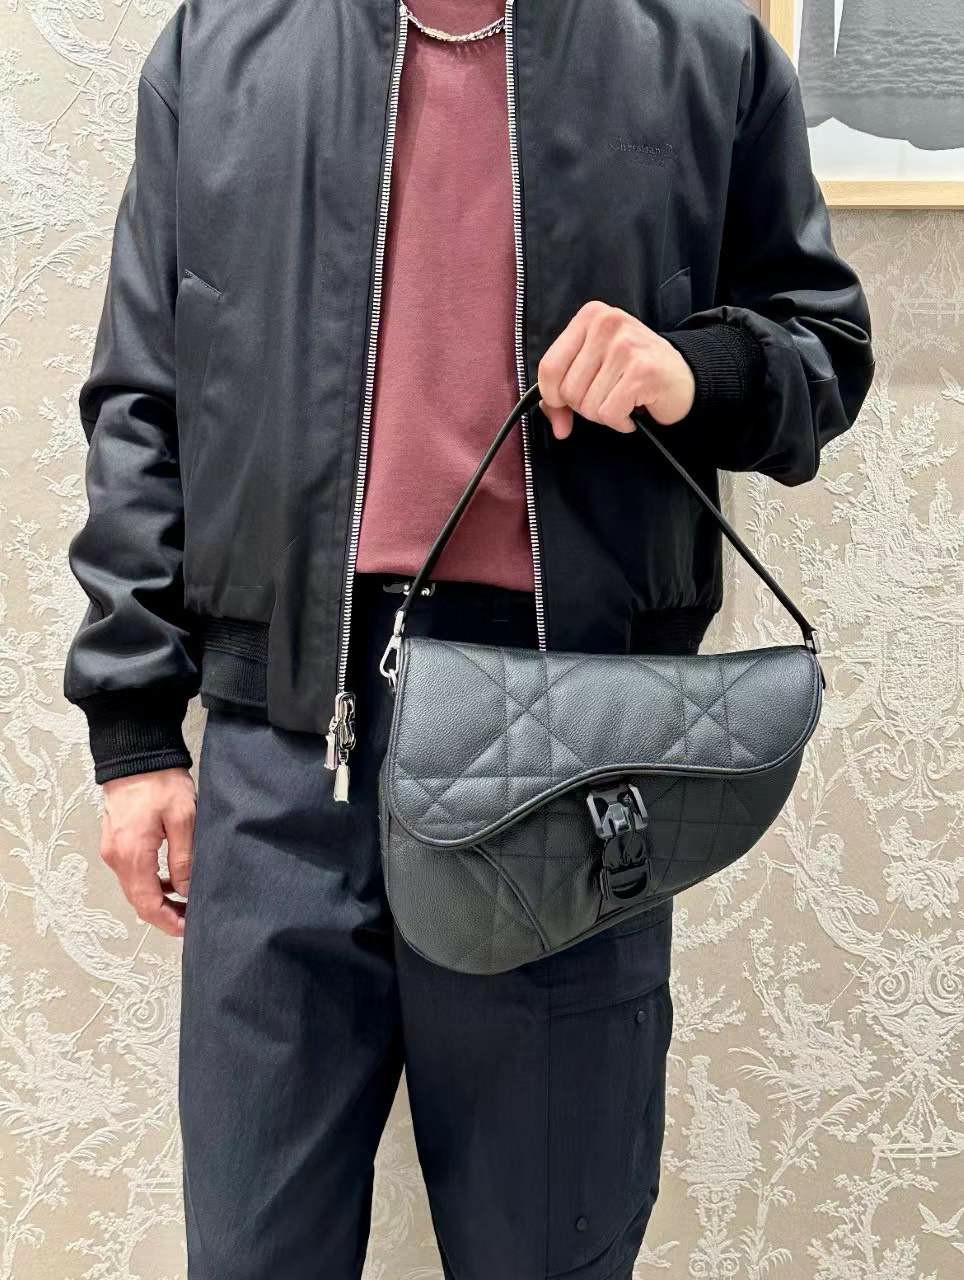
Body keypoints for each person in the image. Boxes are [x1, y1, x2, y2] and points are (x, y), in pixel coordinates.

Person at [63, 2, 875, 1277]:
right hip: (283, 747)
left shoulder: (700, 51)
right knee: (252, 1250)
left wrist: (688, 370)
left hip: (564, 763)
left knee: (548, 1250)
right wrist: (132, 730)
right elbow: (142, 399)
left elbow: (825, 347)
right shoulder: (221, 45)